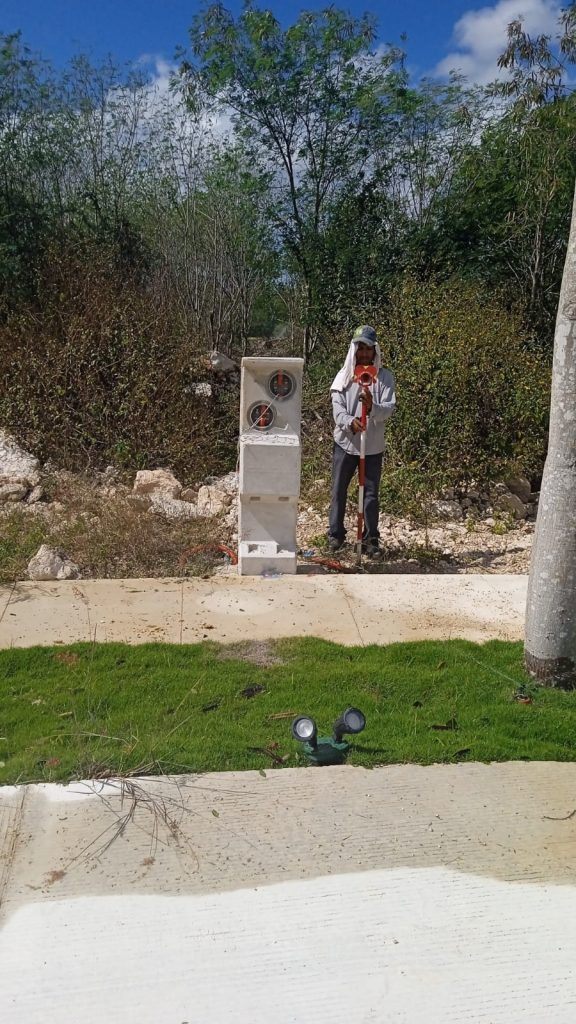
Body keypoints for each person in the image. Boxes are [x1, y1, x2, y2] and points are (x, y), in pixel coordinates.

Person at [328, 325, 396, 557]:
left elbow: (388, 409)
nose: (365, 354)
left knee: (370, 494)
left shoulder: (385, 378)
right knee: (339, 490)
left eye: (369, 349)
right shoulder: (343, 377)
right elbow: (337, 411)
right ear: (354, 350)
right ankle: (335, 536)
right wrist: (350, 422)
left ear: (375, 351)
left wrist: (371, 407)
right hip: (346, 444)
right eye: (361, 349)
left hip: (373, 446)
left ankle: (371, 539)